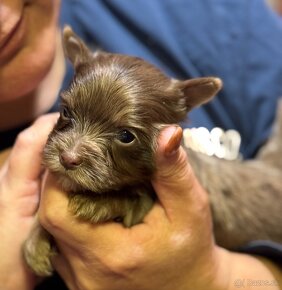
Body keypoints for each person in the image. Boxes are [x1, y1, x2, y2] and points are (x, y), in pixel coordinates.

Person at [0, 0, 281, 290]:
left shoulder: (209, 12)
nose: (71, 153)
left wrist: (220, 278)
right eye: (68, 115)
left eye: (125, 137)